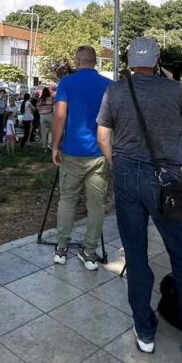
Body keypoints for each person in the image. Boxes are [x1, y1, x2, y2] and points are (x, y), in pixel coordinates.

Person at [97, 37, 182, 362]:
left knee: (135, 254)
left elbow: (103, 134)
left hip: (128, 176)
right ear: (157, 59)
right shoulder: (173, 90)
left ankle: (144, 330)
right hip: (166, 179)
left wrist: (118, 165)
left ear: (129, 61)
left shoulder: (116, 90)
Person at [51, 45, 112, 269]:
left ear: (77, 61)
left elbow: (60, 116)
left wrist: (55, 146)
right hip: (100, 153)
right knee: (96, 204)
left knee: (67, 199)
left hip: (73, 151)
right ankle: (89, 252)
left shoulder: (67, 83)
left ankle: (61, 248)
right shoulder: (108, 85)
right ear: (95, 62)